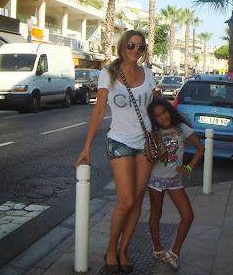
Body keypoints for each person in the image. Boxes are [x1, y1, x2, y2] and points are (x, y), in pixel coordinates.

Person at [75, 30, 156, 273]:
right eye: (131, 45)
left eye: (140, 47)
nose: (135, 50)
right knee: (126, 200)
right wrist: (86, 147)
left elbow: (154, 108)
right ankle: (111, 247)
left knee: (138, 199)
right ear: (122, 46)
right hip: (119, 140)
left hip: (145, 142)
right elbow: (99, 110)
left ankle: (124, 250)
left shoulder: (148, 74)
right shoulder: (107, 74)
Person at [147, 97, 204, 270]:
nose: (162, 117)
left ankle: (174, 252)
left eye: (164, 112)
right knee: (156, 214)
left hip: (175, 180)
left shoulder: (181, 128)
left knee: (188, 216)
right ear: (153, 118)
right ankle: (157, 249)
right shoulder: (152, 130)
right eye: (157, 115)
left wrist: (188, 167)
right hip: (156, 179)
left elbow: (200, 148)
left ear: (169, 110)